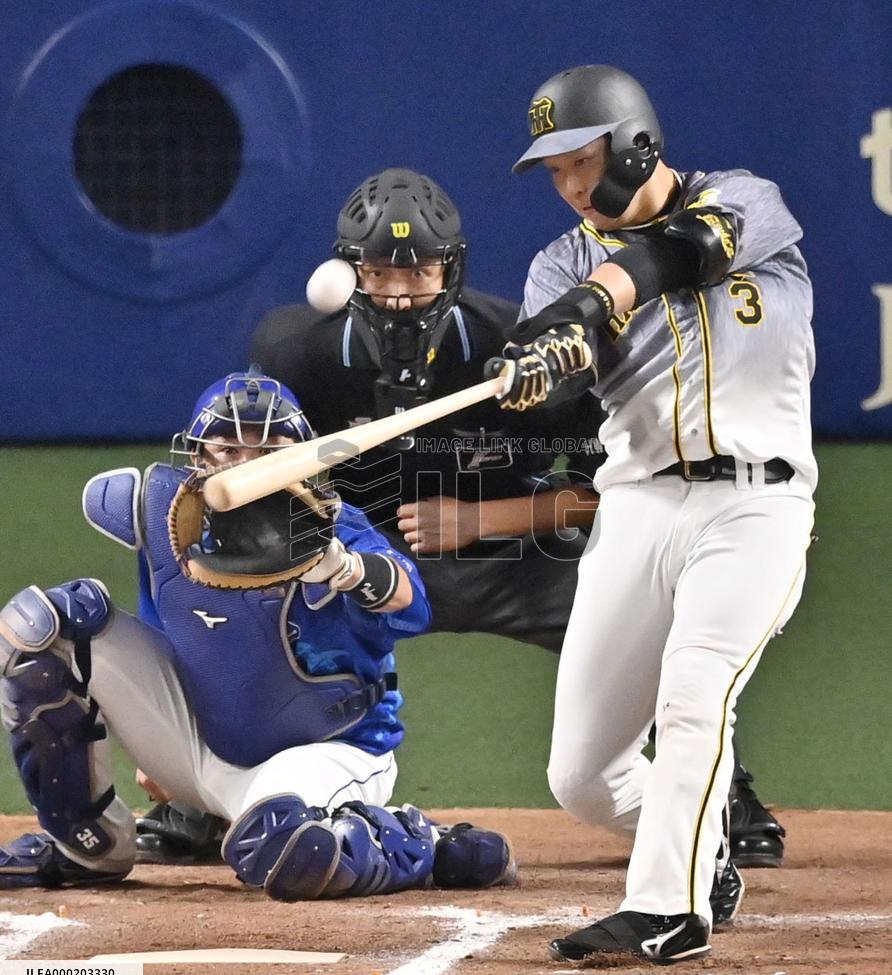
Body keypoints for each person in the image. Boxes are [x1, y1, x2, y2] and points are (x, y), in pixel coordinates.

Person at [137, 167, 785, 875]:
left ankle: (726, 796)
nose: (399, 290)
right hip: (358, 558)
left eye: (420, 272)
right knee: (247, 584)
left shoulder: (520, 348)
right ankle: (199, 796)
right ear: (347, 272)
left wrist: (481, 519)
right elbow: (248, 489)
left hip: (513, 552)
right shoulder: (299, 351)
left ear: (453, 269)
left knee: (636, 595)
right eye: (381, 272)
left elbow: (620, 489)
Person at [487, 64, 815, 963]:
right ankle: (699, 853)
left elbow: (679, 255)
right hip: (636, 510)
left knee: (694, 689)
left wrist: (598, 301)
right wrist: (536, 363)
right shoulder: (560, 260)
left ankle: (669, 907)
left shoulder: (747, 201)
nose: (570, 187)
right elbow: (548, 347)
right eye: (553, 172)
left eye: (580, 161)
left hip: (756, 506)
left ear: (635, 144)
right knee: (581, 775)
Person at [0, 370, 515, 899]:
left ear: (301, 458)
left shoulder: (336, 529)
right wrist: (150, 728)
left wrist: (345, 569)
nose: (245, 465)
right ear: (199, 455)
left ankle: (423, 842)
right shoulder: (164, 515)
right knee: (41, 626)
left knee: (285, 850)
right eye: (227, 447)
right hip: (200, 743)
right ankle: (85, 845)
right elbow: (169, 628)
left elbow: (414, 605)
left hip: (326, 750)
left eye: (268, 448)